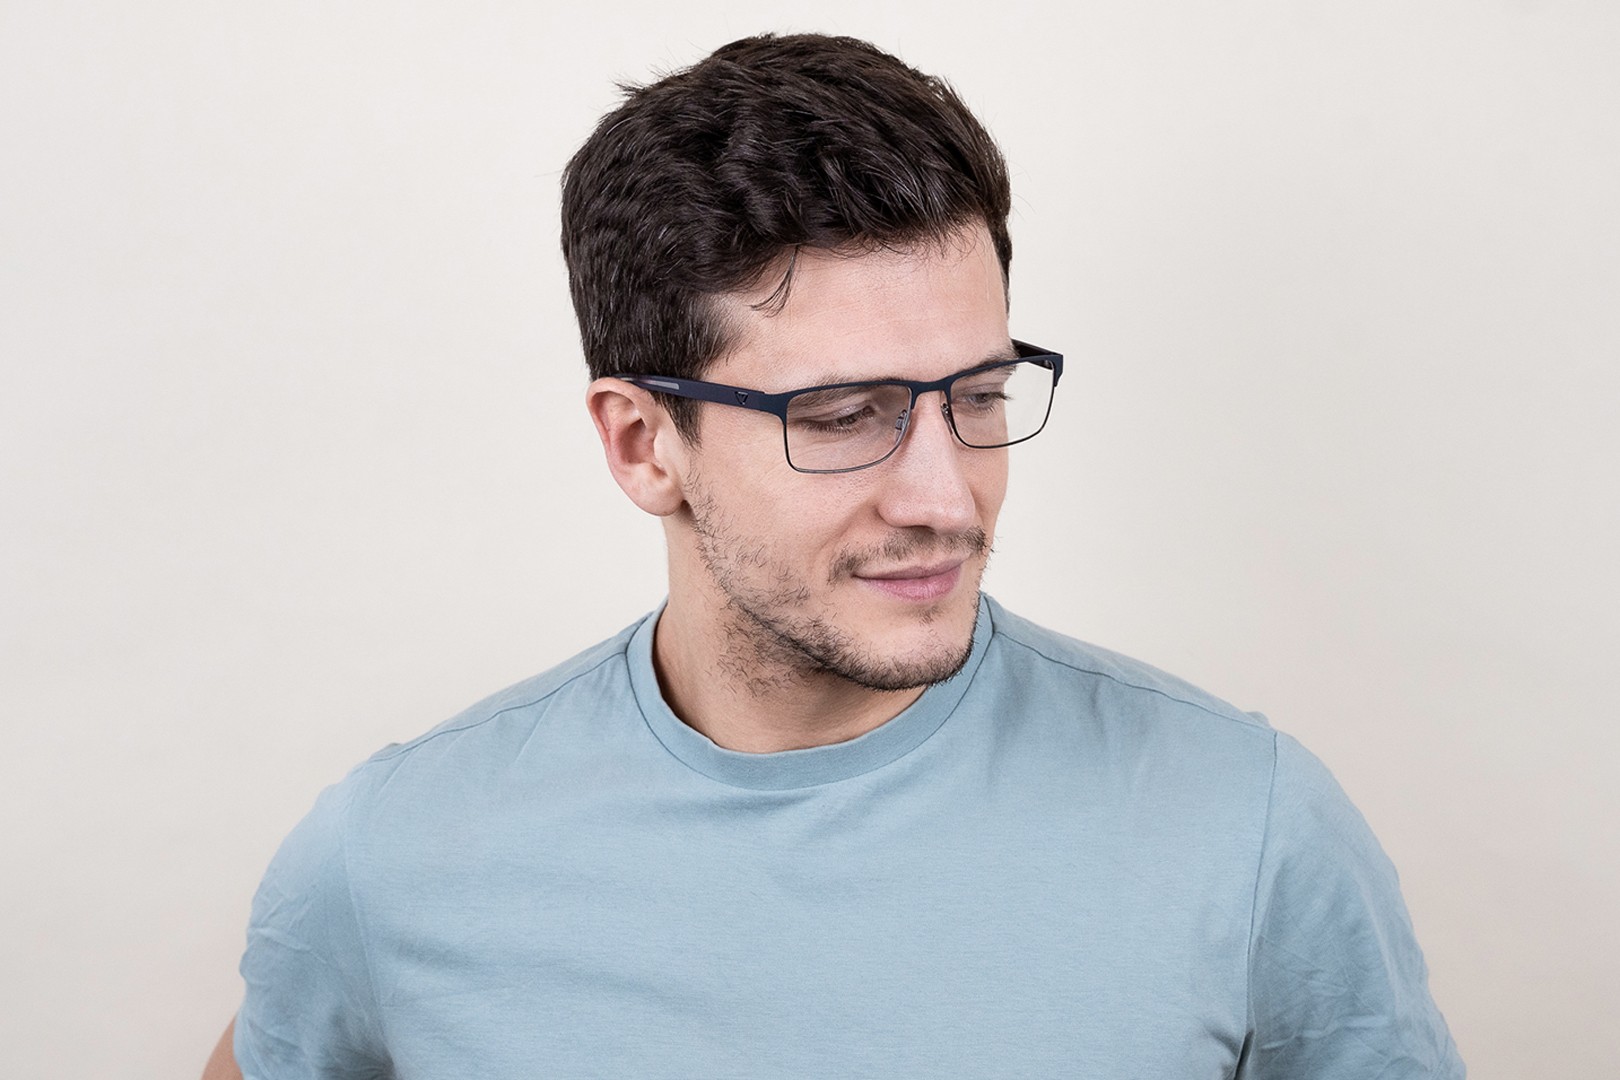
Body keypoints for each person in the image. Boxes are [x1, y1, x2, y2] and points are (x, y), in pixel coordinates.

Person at [205, 32, 1464, 1079]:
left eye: (979, 395)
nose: (947, 496)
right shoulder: (393, 859)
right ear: (645, 444)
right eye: (847, 416)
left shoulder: (1251, 827)